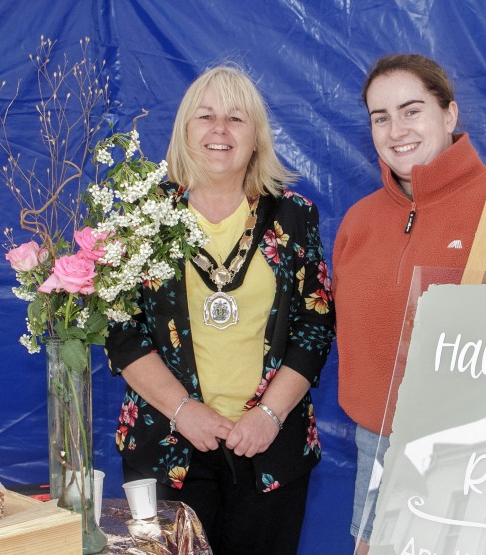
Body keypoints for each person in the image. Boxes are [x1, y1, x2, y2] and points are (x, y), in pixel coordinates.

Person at [332, 54, 486, 554]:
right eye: (380, 117)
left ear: (449, 115)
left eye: (412, 110)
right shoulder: (358, 222)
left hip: (484, 452)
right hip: (380, 443)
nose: (395, 129)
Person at [106, 64, 336, 554]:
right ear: (184, 130)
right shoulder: (142, 215)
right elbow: (123, 334)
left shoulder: (295, 214)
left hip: (271, 445)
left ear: (256, 137)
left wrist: (269, 416)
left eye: (236, 118)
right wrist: (184, 411)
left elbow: (315, 327)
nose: (219, 130)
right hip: (165, 444)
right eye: (205, 116)